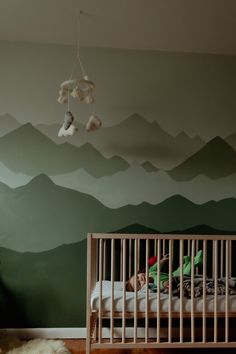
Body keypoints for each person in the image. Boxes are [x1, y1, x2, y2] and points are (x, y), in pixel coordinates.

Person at [126, 250, 203, 292]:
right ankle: (195, 261)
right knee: (185, 273)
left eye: (137, 277)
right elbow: (160, 283)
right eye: (139, 283)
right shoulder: (153, 283)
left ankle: (187, 262)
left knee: (180, 269)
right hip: (175, 279)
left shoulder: (149, 272)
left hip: (172, 274)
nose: (141, 279)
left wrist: (163, 260)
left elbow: (156, 266)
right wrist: (165, 284)